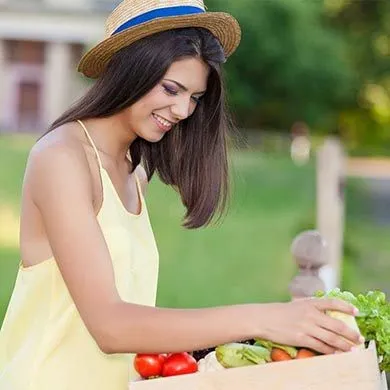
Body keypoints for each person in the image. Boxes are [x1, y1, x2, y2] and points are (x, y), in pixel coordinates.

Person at [0, 0, 363, 389]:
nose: (182, 110)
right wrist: (265, 317)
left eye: (195, 97)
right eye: (172, 89)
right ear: (132, 69)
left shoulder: (131, 171)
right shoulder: (61, 158)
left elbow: (134, 320)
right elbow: (110, 326)